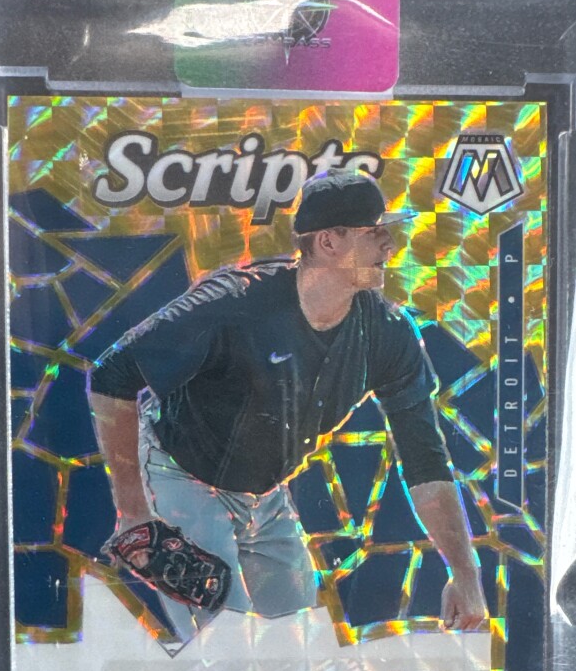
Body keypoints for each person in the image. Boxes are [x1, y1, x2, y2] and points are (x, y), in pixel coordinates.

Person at [88, 169, 488, 643]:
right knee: (223, 648)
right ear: (328, 242)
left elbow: (425, 460)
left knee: (299, 650)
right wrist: (134, 513)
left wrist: (465, 572)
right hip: (179, 475)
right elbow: (112, 375)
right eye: (375, 232)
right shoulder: (234, 303)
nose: (390, 245)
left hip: (266, 497)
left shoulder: (387, 333)